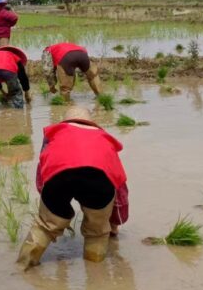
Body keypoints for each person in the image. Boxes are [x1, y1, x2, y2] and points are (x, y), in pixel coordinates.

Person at [17, 108, 129, 270]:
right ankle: (96, 276)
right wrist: (115, 223)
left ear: (65, 122)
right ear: (92, 123)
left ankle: (22, 267)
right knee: (97, 233)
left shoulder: (54, 136)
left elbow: (43, 175)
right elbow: (119, 189)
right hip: (98, 181)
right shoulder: (105, 139)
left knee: (44, 227)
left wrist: (50, 209)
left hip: (59, 178)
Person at [0, 45, 31, 109]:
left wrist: (4, 93)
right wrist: (26, 93)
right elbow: (22, 77)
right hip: (9, 71)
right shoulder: (15, 56)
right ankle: (19, 113)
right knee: (16, 93)